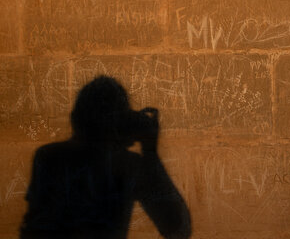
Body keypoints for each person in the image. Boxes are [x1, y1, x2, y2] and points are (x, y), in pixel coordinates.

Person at [20, 76, 191, 239]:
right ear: (122, 122)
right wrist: (150, 150)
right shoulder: (127, 166)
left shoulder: (49, 157)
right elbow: (177, 229)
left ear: (76, 118)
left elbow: (34, 227)